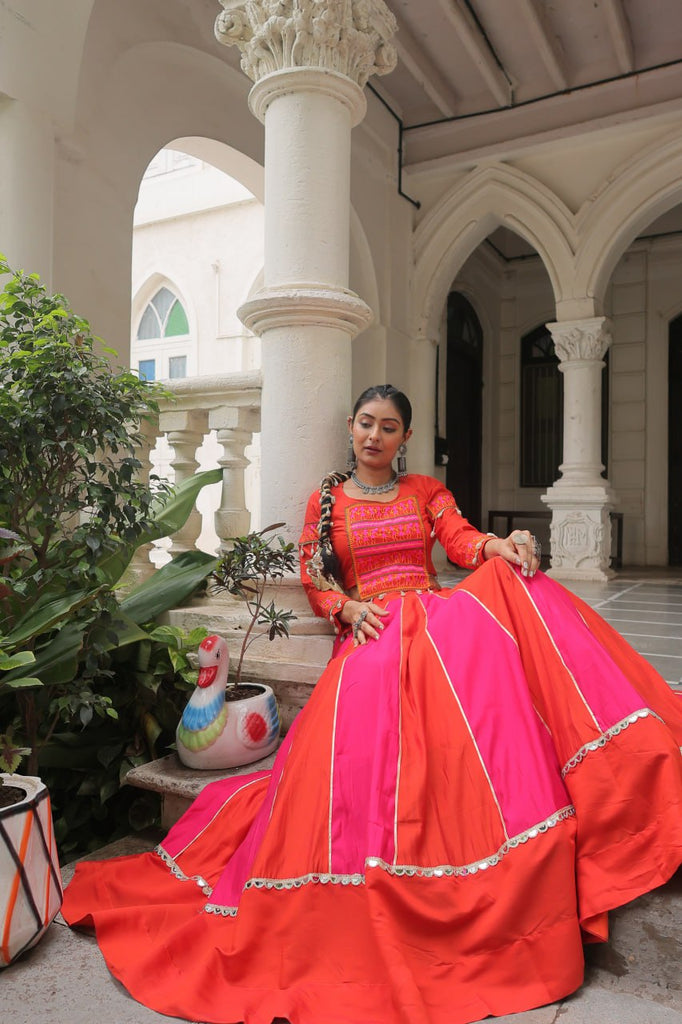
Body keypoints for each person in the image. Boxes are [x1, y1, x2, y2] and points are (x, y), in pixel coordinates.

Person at [61, 384, 682, 1024]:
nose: (375, 436)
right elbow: (314, 575)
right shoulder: (326, 500)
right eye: (365, 424)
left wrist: (499, 547)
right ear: (350, 428)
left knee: (503, 615)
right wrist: (348, 608)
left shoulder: (424, 493)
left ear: (404, 438)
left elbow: (461, 540)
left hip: (432, 621)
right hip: (368, 630)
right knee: (371, 708)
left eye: (389, 427)